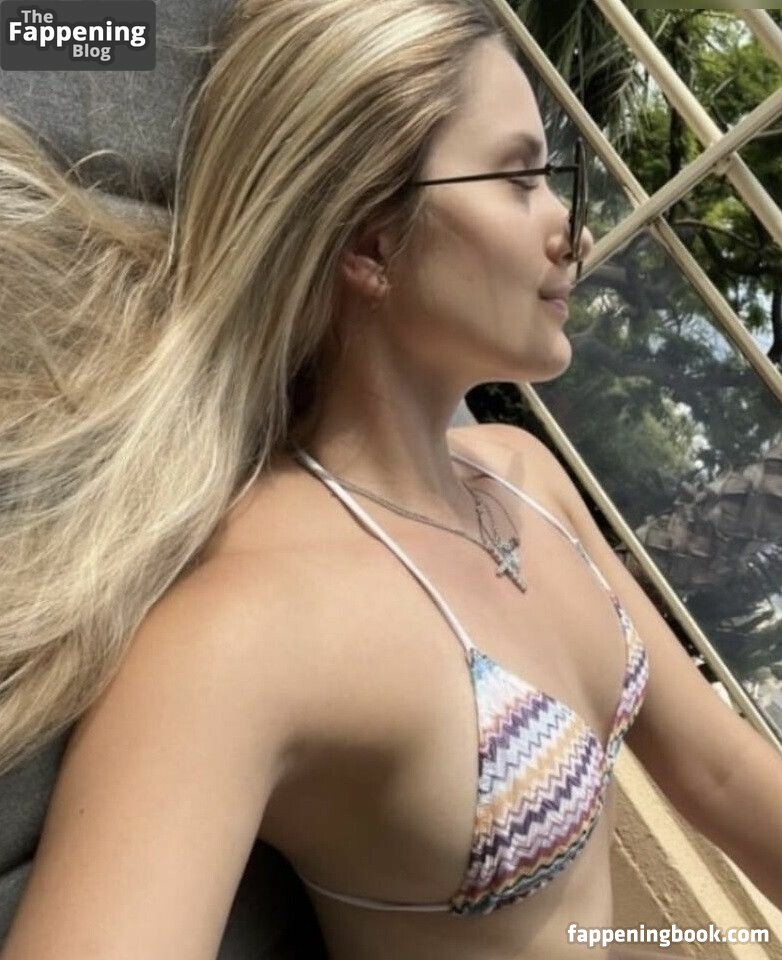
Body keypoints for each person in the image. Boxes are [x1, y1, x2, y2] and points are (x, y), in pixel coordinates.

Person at [1, 1, 780, 959]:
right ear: (371, 243)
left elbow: (720, 776)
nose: (572, 233)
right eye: (520, 180)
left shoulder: (525, 476)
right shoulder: (248, 628)